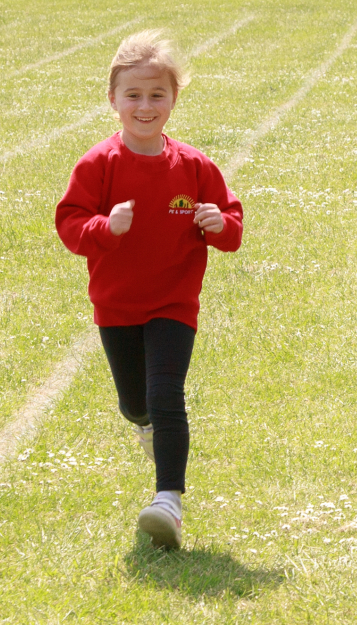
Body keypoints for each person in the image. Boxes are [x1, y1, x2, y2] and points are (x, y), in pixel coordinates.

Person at [56, 30, 243, 551]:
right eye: (133, 95)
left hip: (173, 303)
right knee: (135, 403)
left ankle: (169, 503)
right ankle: (144, 427)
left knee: (166, 395)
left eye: (157, 94)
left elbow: (232, 226)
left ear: (174, 100)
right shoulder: (98, 165)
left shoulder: (195, 166)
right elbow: (70, 223)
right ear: (112, 100)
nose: (145, 106)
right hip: (116, 306)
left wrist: (217, 223)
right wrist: (105, 229)